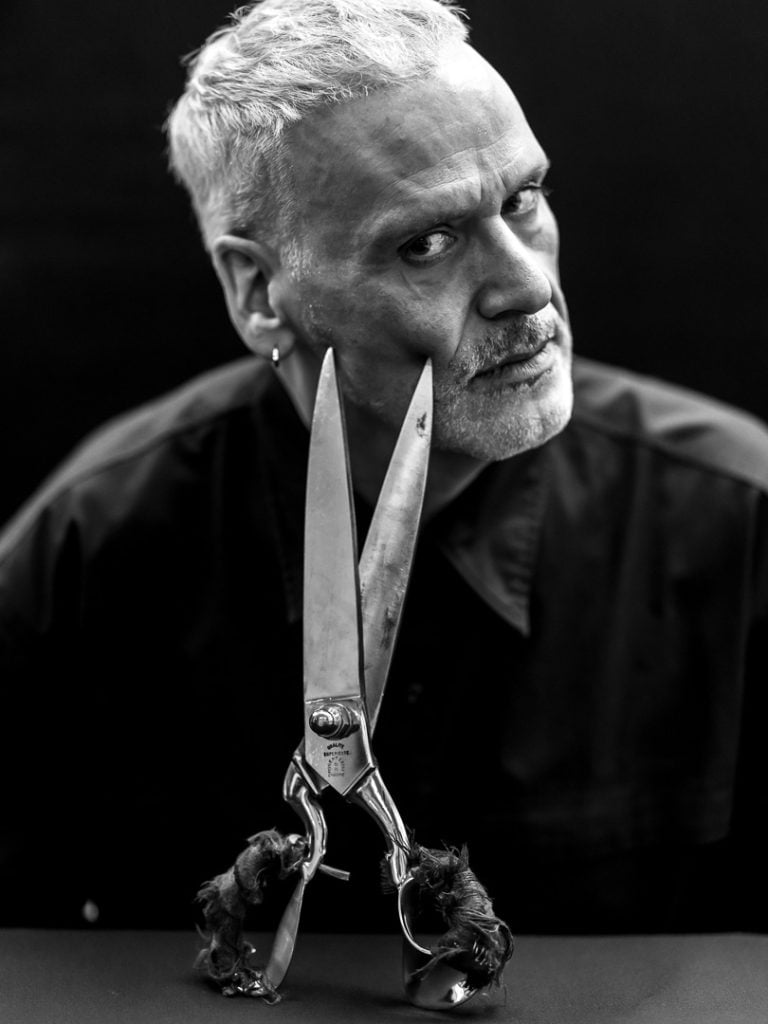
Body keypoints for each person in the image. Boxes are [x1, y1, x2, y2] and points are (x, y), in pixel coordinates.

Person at [1, 0, 766, 935]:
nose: (530, 285)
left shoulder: (739, 521)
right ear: (258, 291)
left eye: (523, 200)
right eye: (425, 244)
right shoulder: (91, 552)